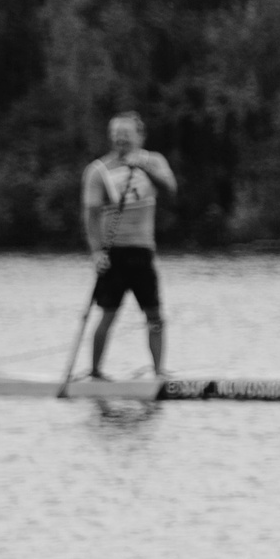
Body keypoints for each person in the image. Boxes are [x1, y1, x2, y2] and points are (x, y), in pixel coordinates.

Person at [82, 110, 177, 377]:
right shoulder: (98, 171)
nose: (120, 140)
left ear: (140, 136)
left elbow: (171, 189)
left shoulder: (155, 161)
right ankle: (95, 372)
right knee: (108, 314)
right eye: (116, 135)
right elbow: (91, 216)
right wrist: (96, 252)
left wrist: (143, 167)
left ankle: (159, 372)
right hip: (114, 254)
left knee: (155, 315)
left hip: (143, 251)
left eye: (126, 135)